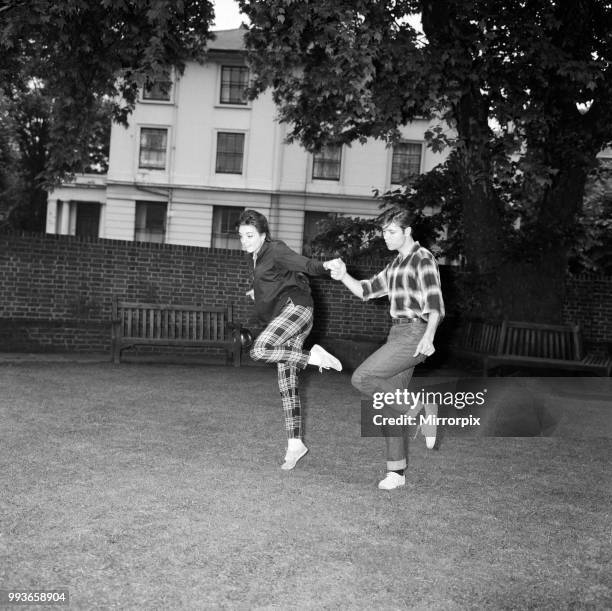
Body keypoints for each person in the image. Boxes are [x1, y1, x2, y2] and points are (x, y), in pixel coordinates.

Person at [328, 209, 444, 490]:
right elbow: (366, 290)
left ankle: (423, 410)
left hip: (415, 333)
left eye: (391, 231)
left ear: (407, 232)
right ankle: (396, 473)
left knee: (362, 378)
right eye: (384, 231)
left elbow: (435, 304)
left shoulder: (423, 259)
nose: (386, 237)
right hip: (397, 333)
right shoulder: (396, 265)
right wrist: (344, 276)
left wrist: (429, 335)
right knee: (387, 405)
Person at [237, 209, 342, 471]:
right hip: (287, 316)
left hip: (297, 310)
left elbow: (303, 264)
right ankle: (295, 444)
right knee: (288, 386)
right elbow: (274, 282)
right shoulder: (258, 257)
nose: (245, 241)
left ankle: (313, 357)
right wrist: (257, 291)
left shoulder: (275, 249)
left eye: (250, 236)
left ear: (263, 235)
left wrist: (326, 266)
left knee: (260, 349)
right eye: (241, 236)